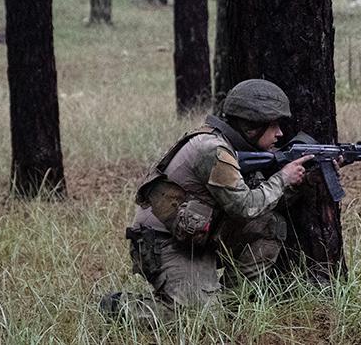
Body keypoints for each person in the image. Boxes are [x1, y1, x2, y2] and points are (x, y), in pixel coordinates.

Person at [101, 79, 315, 321]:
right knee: (199, 321)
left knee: (270, 225)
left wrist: (304, 181)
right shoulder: (214, 150)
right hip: (164, 243)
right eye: (273, 125)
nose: (280, 133)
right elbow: (245, 206)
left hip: (198, 235)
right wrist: (283, 178)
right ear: (252, 125)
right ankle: (118, 306)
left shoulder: (232, 147)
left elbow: (261, 203)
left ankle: (228, 308)